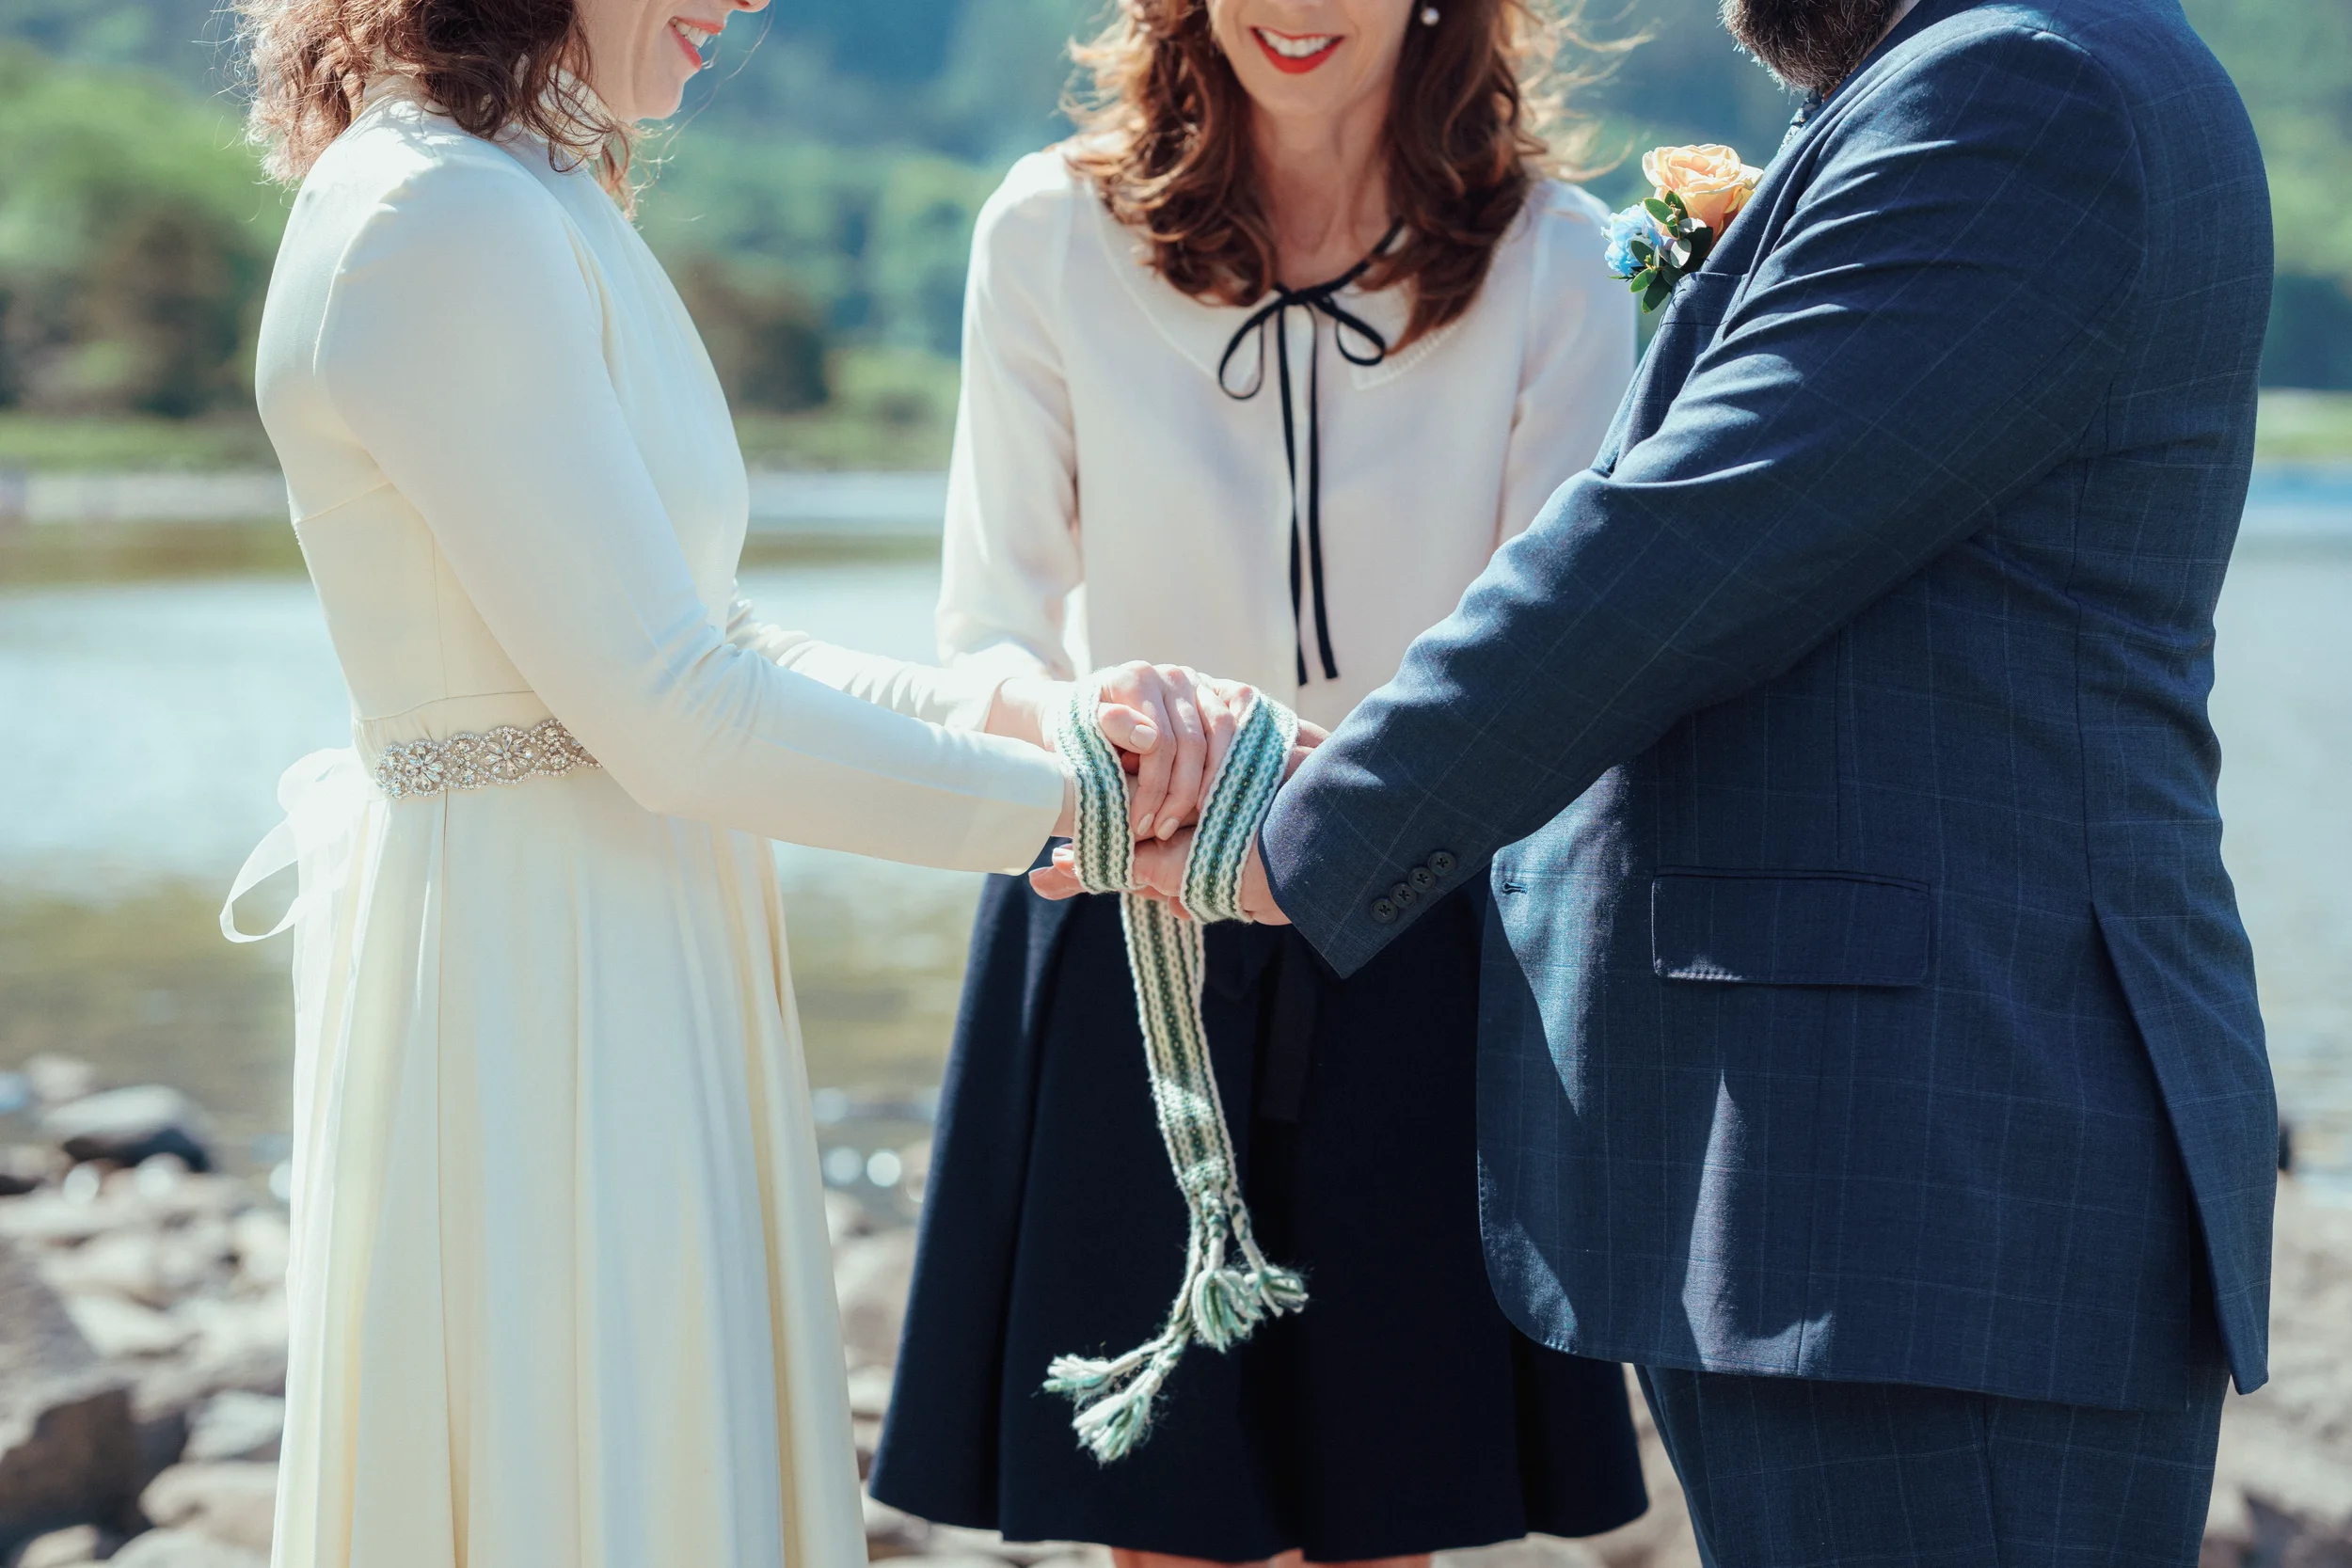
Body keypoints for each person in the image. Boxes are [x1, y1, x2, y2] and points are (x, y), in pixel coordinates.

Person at [1126, 0, 2280, 1561]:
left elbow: (1697, 533)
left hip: (1933, 1176)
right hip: (1885, 1168)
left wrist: (1310, 831)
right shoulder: (2012, 68)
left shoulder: (2027, 85)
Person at [225, 0, 1236, 1561]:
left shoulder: (540, 192)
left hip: (639, 924)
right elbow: (678, 712)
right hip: (534, 975)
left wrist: (1040, 717)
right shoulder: (431, 216)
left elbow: (710, 636)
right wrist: (1088, 819)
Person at [868, 0, 1647, 1560]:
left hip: (1423, 925)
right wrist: (1109, 725)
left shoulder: (1563, 257)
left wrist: (1330, 809)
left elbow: (1551, 659)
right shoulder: (1045, 230)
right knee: (1156, 1518)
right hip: (1122, 909)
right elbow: (990, 629)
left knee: (1389, 1514)